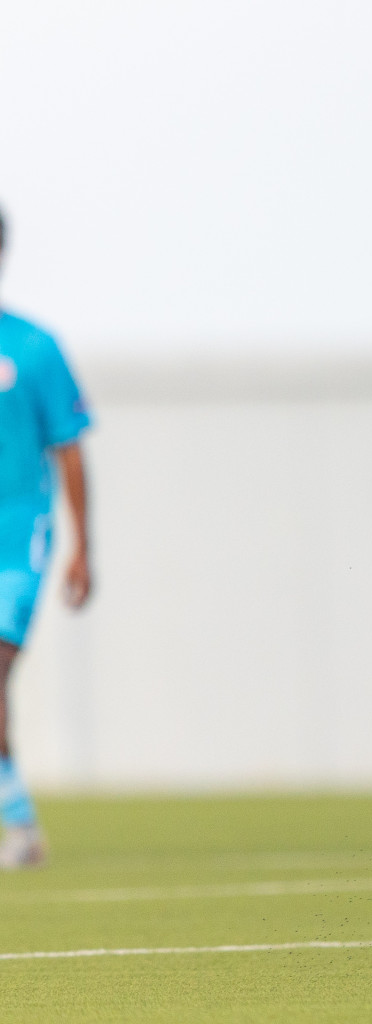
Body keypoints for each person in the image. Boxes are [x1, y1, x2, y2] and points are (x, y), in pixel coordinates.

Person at [0, 206, 93, 869]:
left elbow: (69, 450)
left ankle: (20, 825)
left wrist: (83, 547)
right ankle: (20, 821)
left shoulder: (32, 347)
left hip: (16, 539)